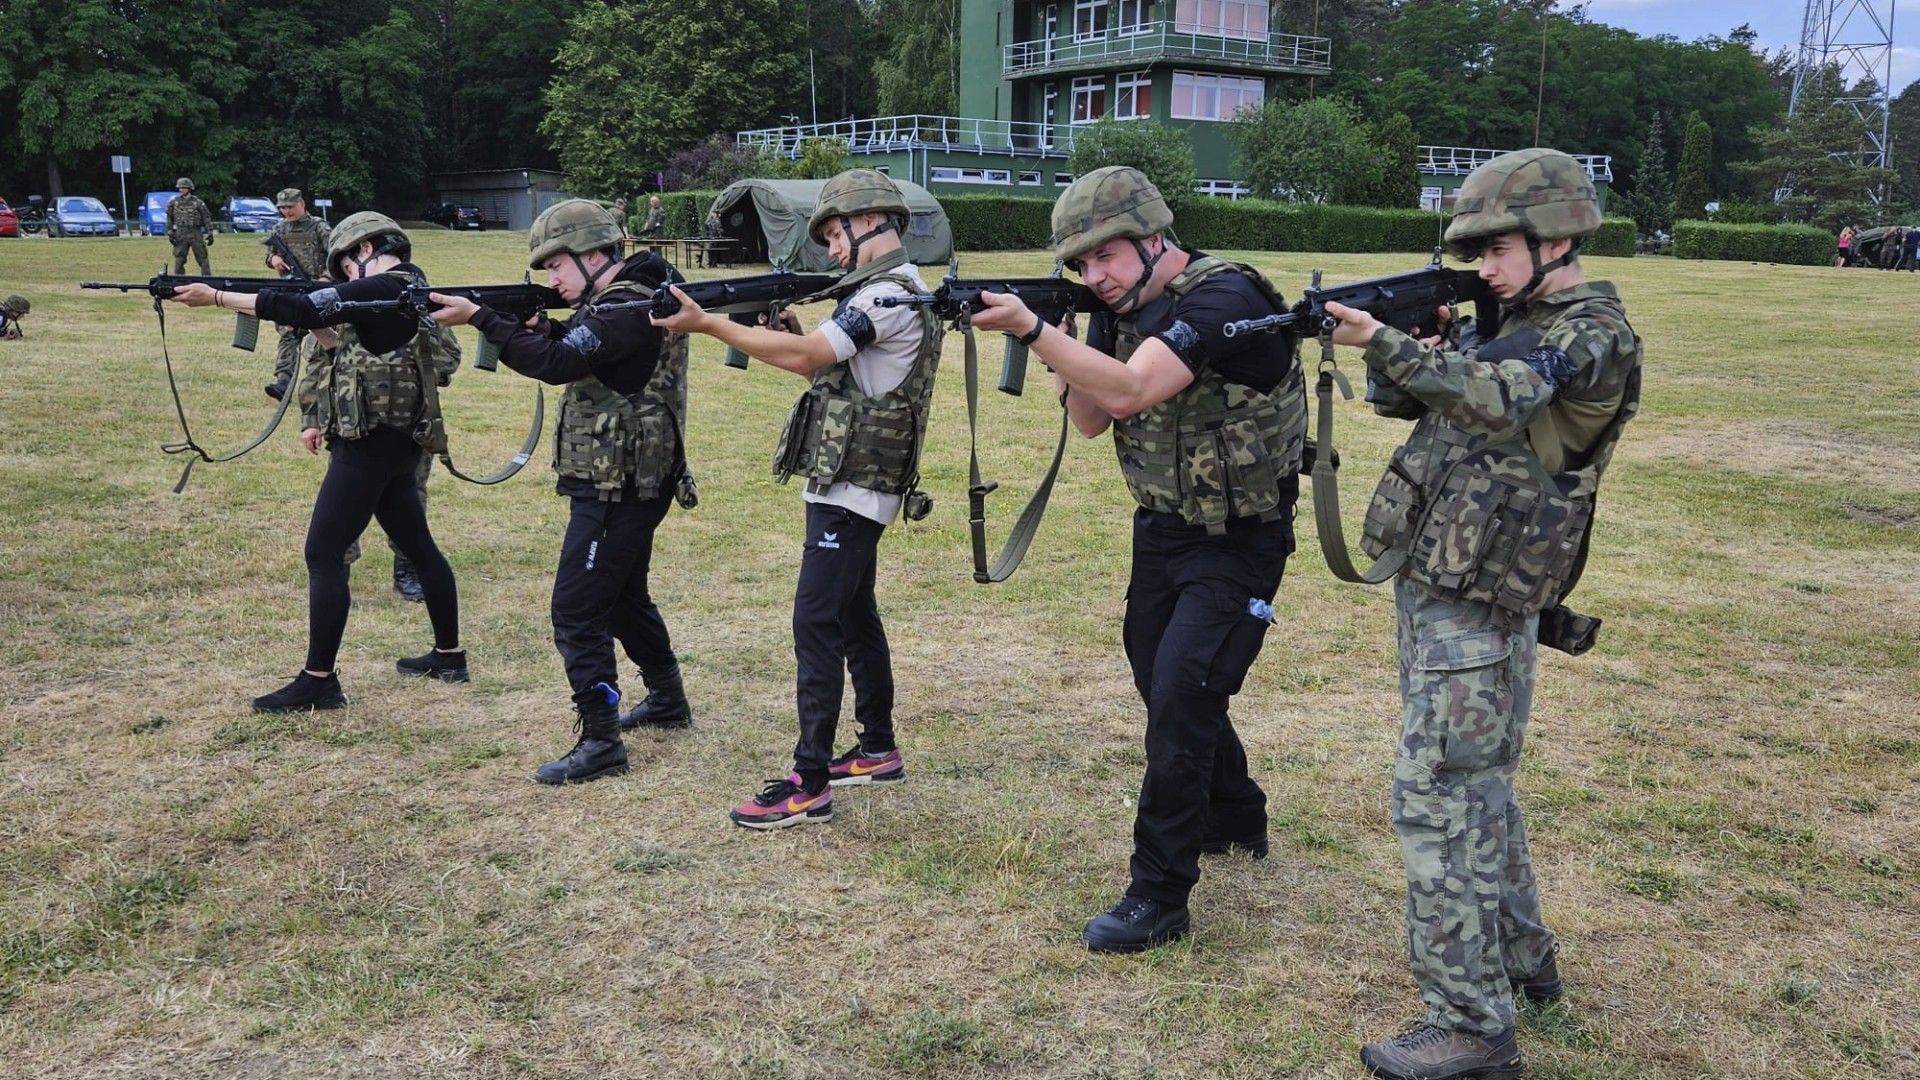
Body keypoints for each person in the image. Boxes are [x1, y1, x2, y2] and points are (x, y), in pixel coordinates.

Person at [1317, 148, 1642, 1080]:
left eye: (1498, 248)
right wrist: (1413, 342)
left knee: (1439, 798)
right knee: (1478, 785)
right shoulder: (1518, 320)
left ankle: (1469, 1025)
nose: (1485, 266)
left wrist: (1382, 339)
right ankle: (1525, 965)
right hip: (1446, 581)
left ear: (1561, 238)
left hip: (1484, 596)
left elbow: (1499, 400)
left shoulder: (1589, 333)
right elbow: (1418, 402)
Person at [969, 166, 1305, 952]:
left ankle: (1159, 893)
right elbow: (1088, 418)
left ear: (1154, 239)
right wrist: (1081, 325)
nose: (1096, 277)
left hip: (1240, 536)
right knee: (1163, 681)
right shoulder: (1120, 309)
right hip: (1162, 528)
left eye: (1106, 260)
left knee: (1184, 695)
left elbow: (1125, 396)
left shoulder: (1226, 300)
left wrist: (1030, 329)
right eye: (1080, 268)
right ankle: (1235, 816)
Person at [651, 168, 940, 829]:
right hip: (859, 482)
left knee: (817, 625)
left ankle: (808, 781)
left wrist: (711, 326)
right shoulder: (893, 292)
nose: (832, 249)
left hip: (852, 486)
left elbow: (811, 356)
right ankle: (876, 747)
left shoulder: (883, 299)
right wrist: (783, 326)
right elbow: (839, 358)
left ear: (875, 224)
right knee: (854, 616)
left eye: (837, 234)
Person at [429, 199, 697, 785]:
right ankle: (668, 698)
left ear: (594, 254)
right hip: (627, 475)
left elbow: (556, 364)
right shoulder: (627, 298)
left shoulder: (626, 305)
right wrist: (542, 326)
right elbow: (588, 353)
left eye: (556, 265)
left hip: (617, 481)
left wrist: (483, 318)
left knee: (576, 612)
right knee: (623, 597)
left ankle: (601, 740)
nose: (551, 279)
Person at [165, 212, 468, 712]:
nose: (346, 275)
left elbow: (305, 306)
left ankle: (319, 680)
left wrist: (214, 297)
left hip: (367, 446)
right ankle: (449, 655)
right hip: (398, 445)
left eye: (346, 266)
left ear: (361, 253)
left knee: (323, 554)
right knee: (418, 545)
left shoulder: (380, 288)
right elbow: (358, 345)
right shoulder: (412, 289)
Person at [263, 188, 333, 401]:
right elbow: (269, 255)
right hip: (290, 290)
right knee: (288, 334)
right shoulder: (279, 229)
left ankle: (322, 384)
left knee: (320, 340)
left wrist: (326, 279)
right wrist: (272, 260)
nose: (286, 211)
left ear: (302, 204)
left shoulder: (320, 228)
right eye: (282, 208)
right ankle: (283, 381)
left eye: (290, 207)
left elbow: (336, 256)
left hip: (317, 290)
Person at [167, 178, 214, 275]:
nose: (181, 190)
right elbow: (169, 218)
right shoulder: (174, 203)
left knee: (202, 257)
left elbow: (206, 217)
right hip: (180, 233)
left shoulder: (198, 202)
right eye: (180, 188)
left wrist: (210, 232)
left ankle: (207, 279)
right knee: (179, 257)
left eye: (183, 188)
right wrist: (170, 231)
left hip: (195, 232)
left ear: (189, 188)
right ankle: (179, 279)